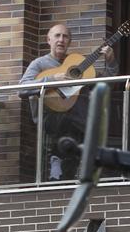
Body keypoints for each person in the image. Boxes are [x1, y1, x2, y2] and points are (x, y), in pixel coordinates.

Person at [19, 22, 119, 180]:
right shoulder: (39, 64)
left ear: (69, 42)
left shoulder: (77, 63)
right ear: (49, 40)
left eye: (65, 36)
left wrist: (111, 62)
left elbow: (106, 84)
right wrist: (52, 79)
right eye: (57, 36)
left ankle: (71, 167)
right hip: (50, 119)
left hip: (78, 122)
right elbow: (23, 89)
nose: (61, 40)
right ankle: (58, 160)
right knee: (68, 118)